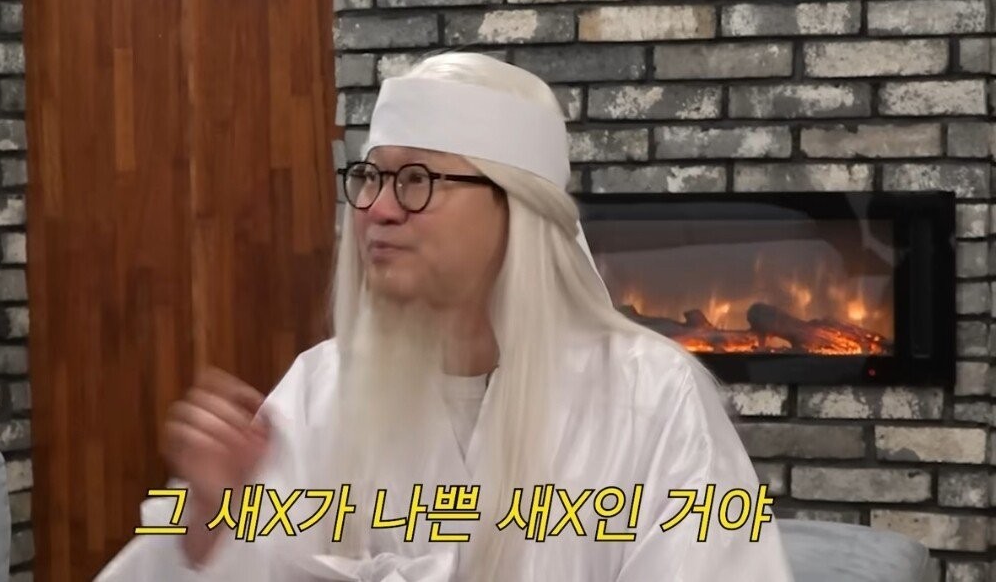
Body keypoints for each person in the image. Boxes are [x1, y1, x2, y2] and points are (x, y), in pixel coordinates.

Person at [96, 53, 795, 581]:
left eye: (416, 180)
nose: (377, 209)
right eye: (370, 177)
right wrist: (206, 520)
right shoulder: (322, 389)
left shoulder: (652, 398)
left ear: (515, 208)